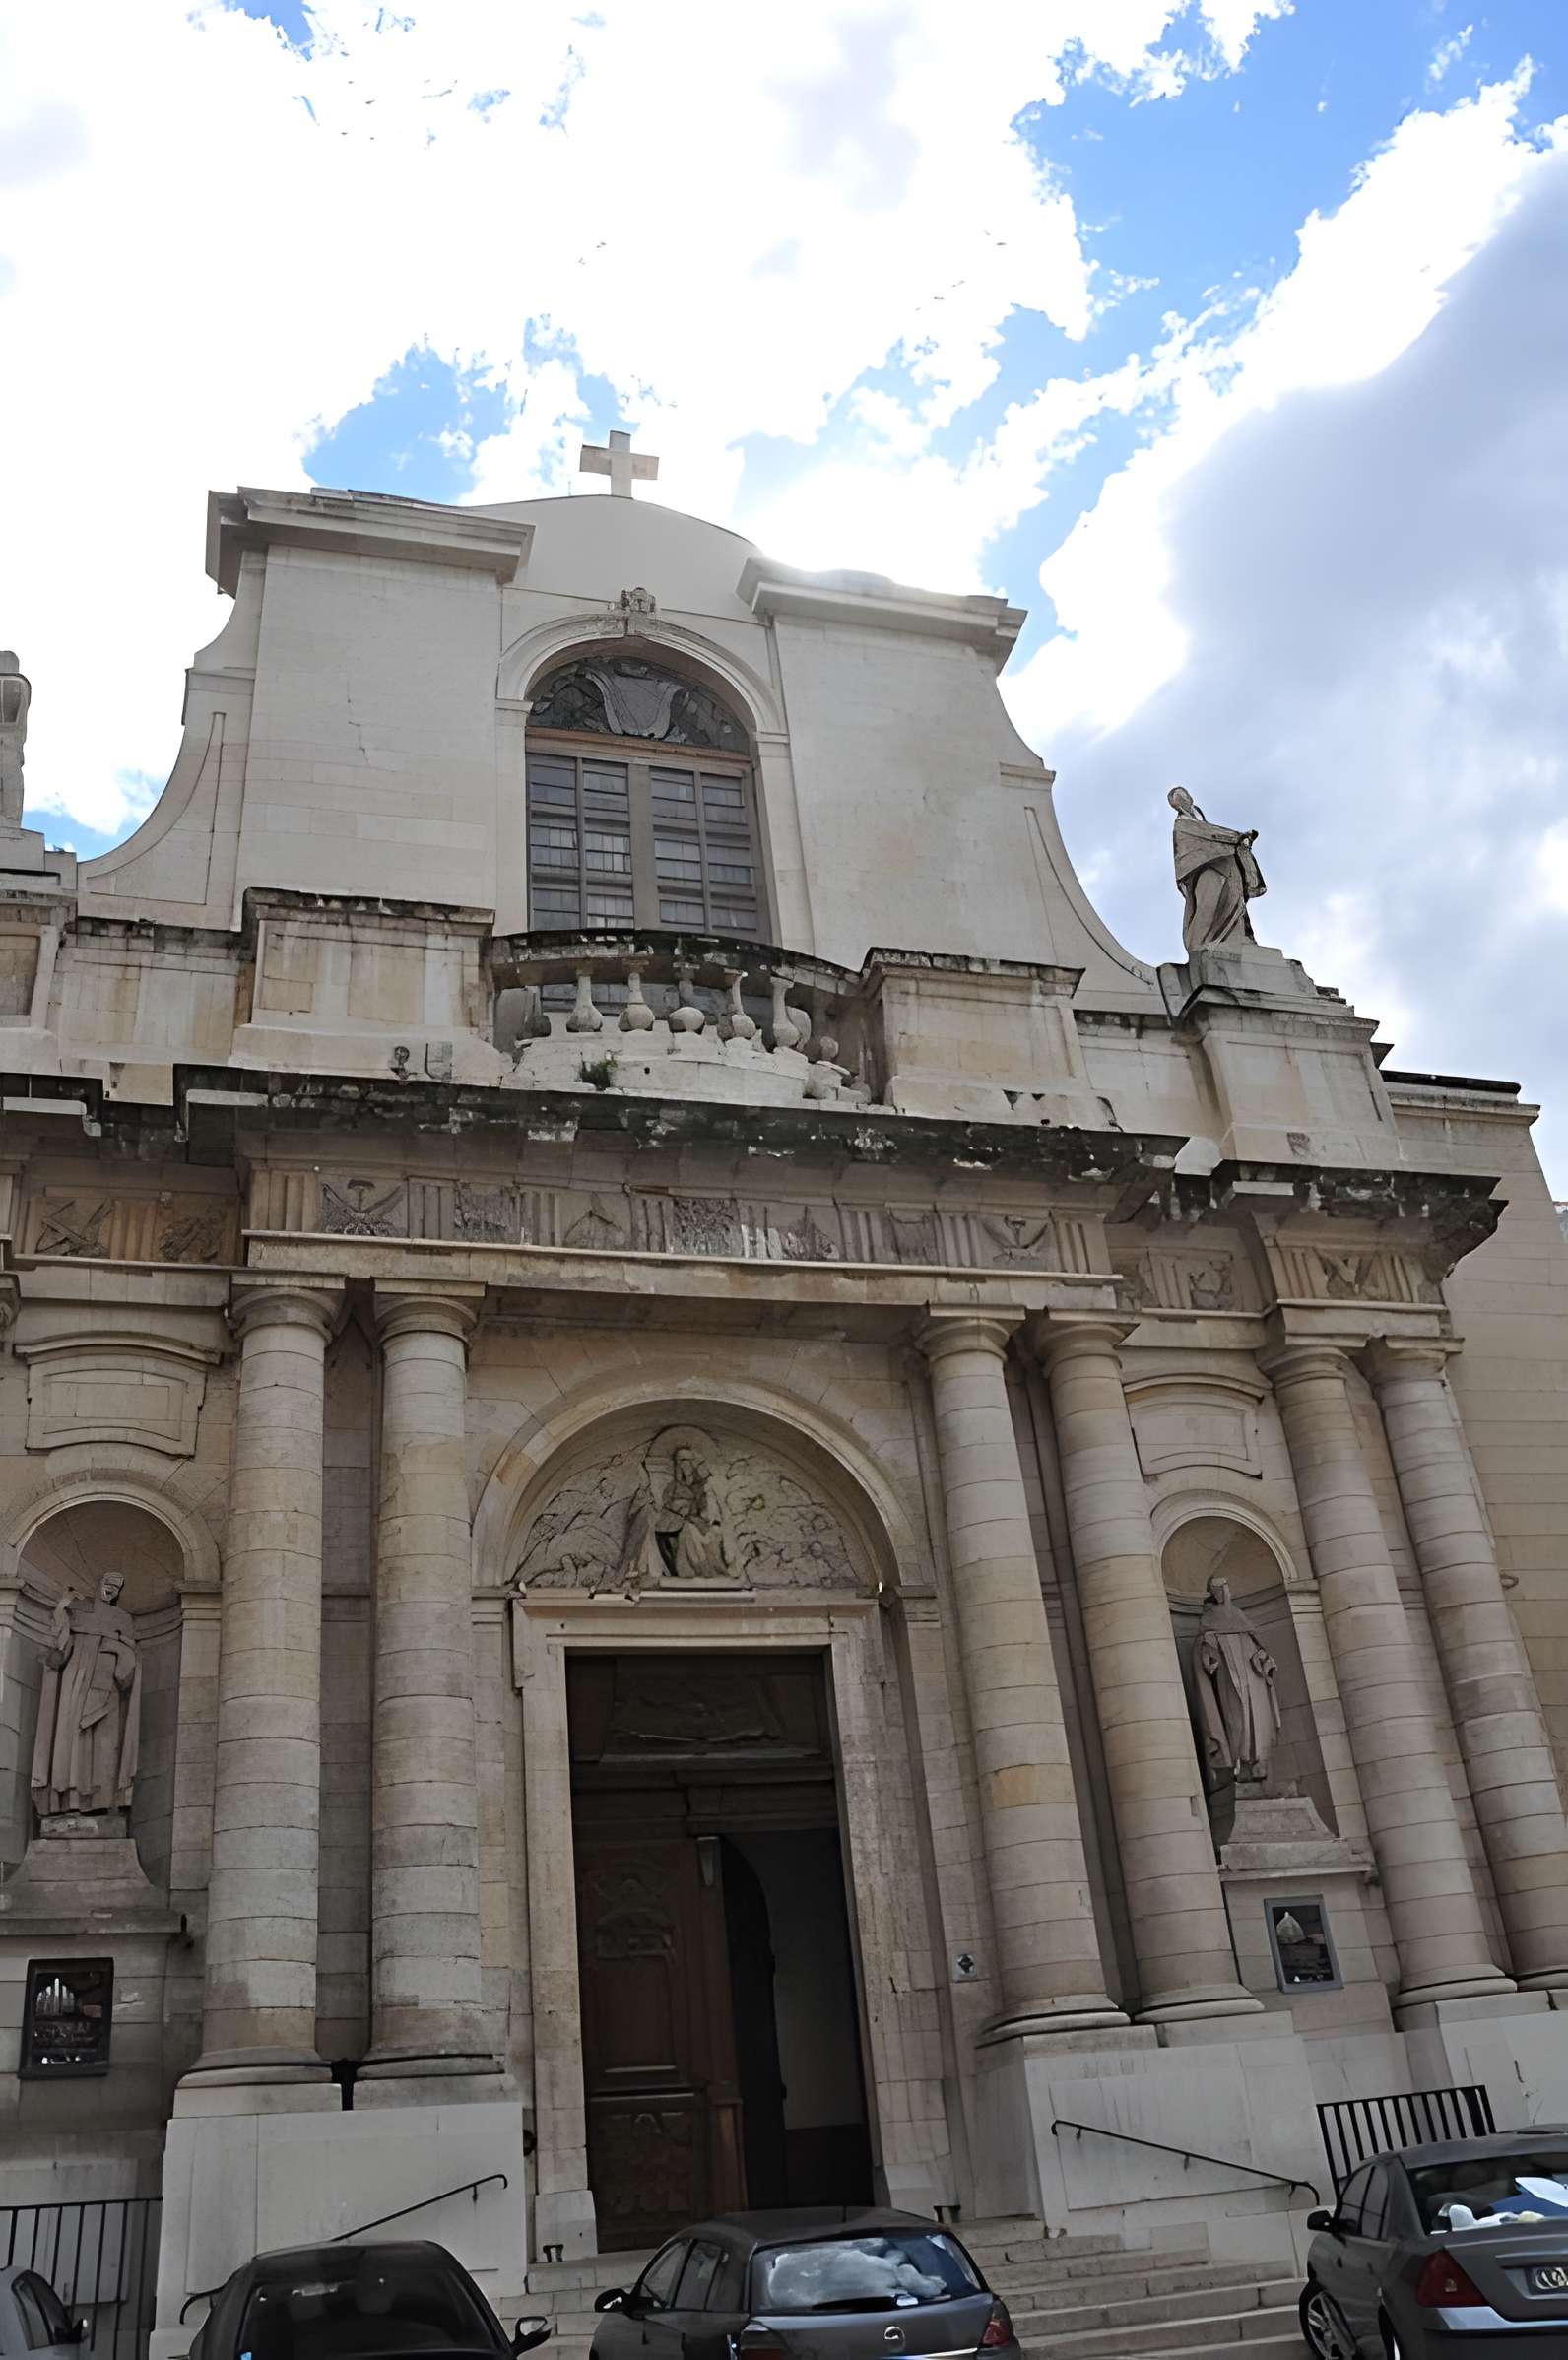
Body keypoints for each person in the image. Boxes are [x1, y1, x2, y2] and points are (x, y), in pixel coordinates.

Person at [31, 1571, 141, 1819]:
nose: (111, 1588)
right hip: (74, 1682)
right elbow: (59, 1649)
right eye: (108, 1583)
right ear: (99, 1584)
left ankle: (101, 1800)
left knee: (105, 1744)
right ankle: (66, 1800)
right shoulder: (78, 1613)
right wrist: (62, 1607)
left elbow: (131, 1660)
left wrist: (117, 1650)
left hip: (107, 1688)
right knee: (70, 1741)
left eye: (116, 1586)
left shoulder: (123, 1619)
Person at [1169, 784, 1266, 954]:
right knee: (1209, 905)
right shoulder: (1182, 825)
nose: (1182, 802)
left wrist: (1237, 840)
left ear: (1189, 798)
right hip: (1204, 870)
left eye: (1183, 797)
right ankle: (1201, 944)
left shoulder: (1198, 816)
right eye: (1177, 801)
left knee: (1234, 899)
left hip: (1224, 865)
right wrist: (1236, 837)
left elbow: (1212, 834)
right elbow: (1202, 839)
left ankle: (1241, 940)